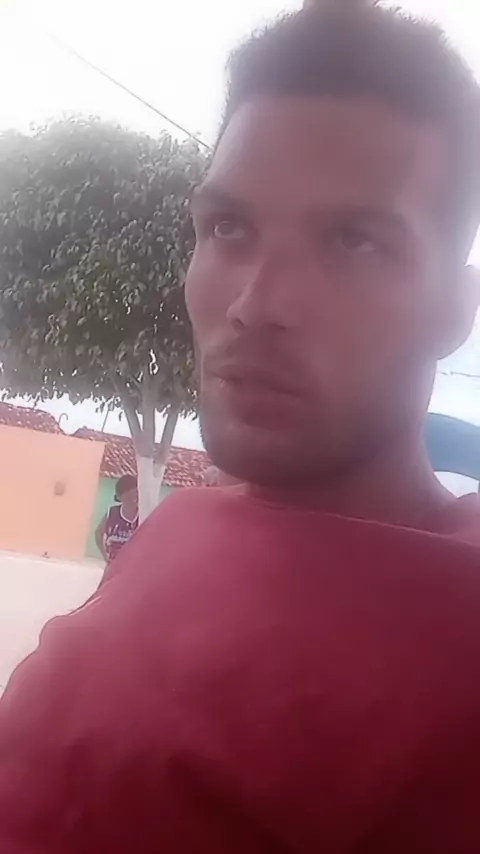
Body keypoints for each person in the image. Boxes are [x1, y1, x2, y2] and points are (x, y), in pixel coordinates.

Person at [1, 2, 480, 851]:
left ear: (456, 308)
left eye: (355, 241)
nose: (257, 304)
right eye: (229, 227)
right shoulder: (180, 523)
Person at [95, 474, 139, 564]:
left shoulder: (143, 515)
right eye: (128, 496)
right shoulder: (112, 513)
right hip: (114, 565)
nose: (133, 499)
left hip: (134, 565)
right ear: (119, 497)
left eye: (135, 495)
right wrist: (105, 556)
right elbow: (98, 533)